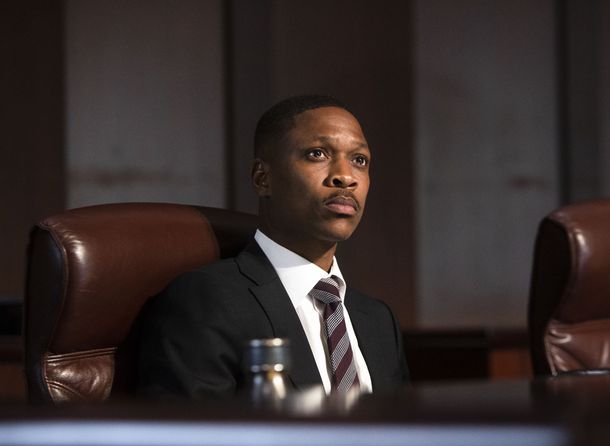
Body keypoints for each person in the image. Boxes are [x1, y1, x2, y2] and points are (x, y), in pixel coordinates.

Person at [137, 95, 409, 398]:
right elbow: (194, 440)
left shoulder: (378, 320)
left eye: (359, 160)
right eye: (317, 154)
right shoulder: (206, 300)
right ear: (262, 178)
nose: (345, 177)